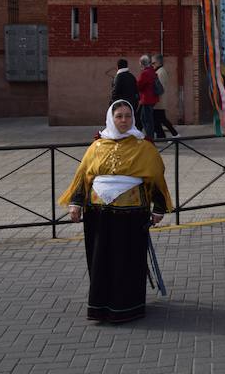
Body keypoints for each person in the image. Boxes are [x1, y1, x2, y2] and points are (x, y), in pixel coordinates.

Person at [59, 100, 173, 323]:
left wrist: (158, 208)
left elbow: (156, 177)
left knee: (127, 260)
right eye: (119, 116)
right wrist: (76, 203)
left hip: (130, 216)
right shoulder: (97, 146)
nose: (123, 120)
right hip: (98, 215)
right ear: (111, 118)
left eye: (127, 116)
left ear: (133, 118)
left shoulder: (144, 147)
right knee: (101, 259)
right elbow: (83, 177)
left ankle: (128, 307)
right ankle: (101, 307)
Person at [152, 54, 179, 140]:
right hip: (158, 101)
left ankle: (174, 134)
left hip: (159, 101)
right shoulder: (159, 71)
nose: (152, 65)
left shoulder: (160, 72)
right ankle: (161, 135)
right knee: (156, 120)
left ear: (158, 62)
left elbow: (160, 87)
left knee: (162, 119)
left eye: (153, 63)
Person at [136, 55, 158, 139]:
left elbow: (139, 85)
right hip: (152, 98)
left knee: (146, 119)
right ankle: (148, 136)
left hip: (146, 99)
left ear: (142, 64)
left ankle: (149, 138)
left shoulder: (145, 73)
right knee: (143, 118)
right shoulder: (152, 71)